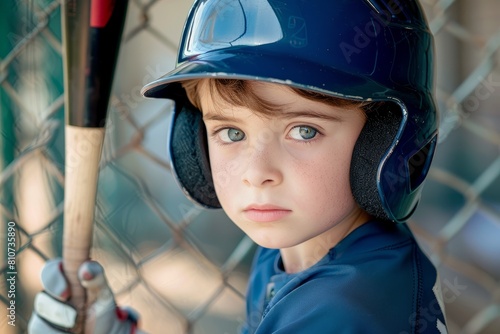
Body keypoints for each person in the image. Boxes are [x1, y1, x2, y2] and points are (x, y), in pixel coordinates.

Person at [29, 0, 448, 333]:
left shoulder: (344, 313)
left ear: (386, 143)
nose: (256, 172)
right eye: (231, 133)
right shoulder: (295, 254)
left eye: (303, 131)